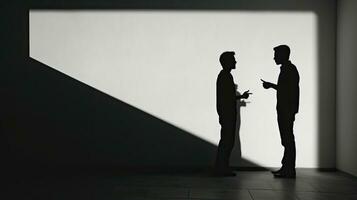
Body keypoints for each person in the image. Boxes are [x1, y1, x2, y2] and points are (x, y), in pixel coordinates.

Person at [261, 45, 300, 178]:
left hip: (286, 110)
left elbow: (290, 91)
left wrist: (271, 86)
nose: (274, 58)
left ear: (283, 55)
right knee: (286, 139)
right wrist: (271, 85)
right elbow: (286, 88)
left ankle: (289, 169)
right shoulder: (288, 69)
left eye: (276, 55)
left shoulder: (290, 69)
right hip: (286, 109)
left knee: (288, 139)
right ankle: (286, 168)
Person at [215, 51, 250, 176]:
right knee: (227, 141)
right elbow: (227, 98)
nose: (235, 62)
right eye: (233, 60)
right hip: (227, 115)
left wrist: (239, 97)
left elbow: (227, 97)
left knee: (226, 141)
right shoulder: (225, 76)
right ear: (227, 62)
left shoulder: (224, 75)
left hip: (226, 114)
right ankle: (222, 168)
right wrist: (240, 97)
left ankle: (222, 167)